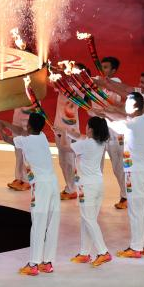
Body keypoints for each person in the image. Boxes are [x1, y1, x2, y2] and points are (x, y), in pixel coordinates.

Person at [0, 113, 59, 276]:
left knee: (38, 224)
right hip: (53, 183)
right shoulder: (42, 136)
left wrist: (0, 129)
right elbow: (21, 131)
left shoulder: (25, 141)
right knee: (51, 224)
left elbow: (7, 139)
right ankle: (47, 263)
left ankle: (33, 264)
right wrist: (4, 123)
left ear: (29, 125)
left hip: (41, 186)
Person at [103, 92, 144, 258]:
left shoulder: (131, 125)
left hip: (135, 173)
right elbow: (121, 119)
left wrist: (103, 114)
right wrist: (107, 112)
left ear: (134, 106)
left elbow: (116, 124)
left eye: (127, 102)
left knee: (136, 211)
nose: (124, 105)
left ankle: (136, 248)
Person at [68, 116, 112, 267]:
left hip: (86, 187)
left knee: (89, 219)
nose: (85, 129)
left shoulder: (86, 144)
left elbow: (66, 149)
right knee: (88, 219)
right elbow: (80, 137)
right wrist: (68, 133)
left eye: (87, 126)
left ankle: (103, 252)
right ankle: (84, 253)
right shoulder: (100, 142)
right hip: (97, 185)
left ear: (91, 130)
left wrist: (61, 136)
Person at [95, 56, 128, 209]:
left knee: (118, 165)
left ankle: (126, 196)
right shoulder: (96, 81)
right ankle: (95, 195)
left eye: (106, 67)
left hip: (114, 129)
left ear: (114, 70)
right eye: (101, 67)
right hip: (97, 128)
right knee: (95, 165)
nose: (102, 70)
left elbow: (118, 102)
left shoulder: (116, 82)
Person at [51, 73, 83, 201]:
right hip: (59, 128)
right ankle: (69, 187)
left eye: (77, 73)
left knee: (69, 161)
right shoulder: (63, 86)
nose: (73, 75)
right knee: (63, 162)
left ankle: (72, 189)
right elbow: (50, 82)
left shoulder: (80, 90)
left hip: (70, 131)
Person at [6, 106, 34, 191]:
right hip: (18, 109)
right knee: (18, 149)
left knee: (27, 151)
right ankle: (19, 178)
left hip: (29, 111)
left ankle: (27, 180)